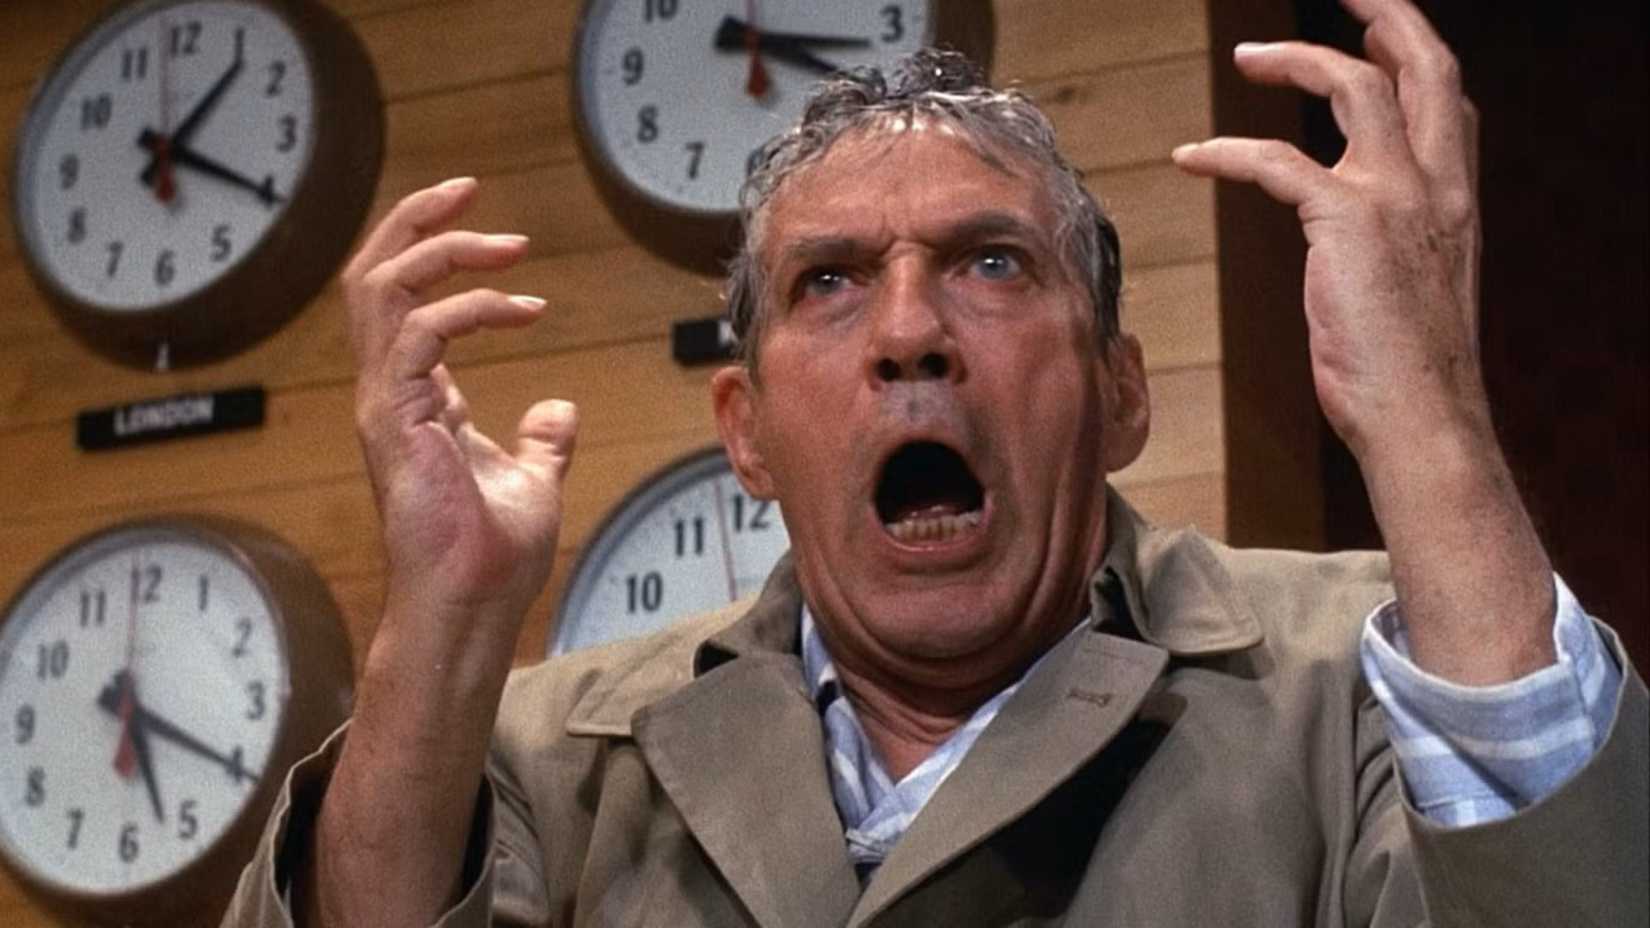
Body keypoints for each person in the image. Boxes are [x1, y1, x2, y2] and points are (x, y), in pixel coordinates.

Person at [223, 0, 1646, 924]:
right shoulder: (548, 751)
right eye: (831, 282)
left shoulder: (1370, 678)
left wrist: (1427, 413)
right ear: (747, 431)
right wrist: (443, 620)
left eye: (990, 263)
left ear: (1119, 395)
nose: (909, 330)